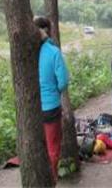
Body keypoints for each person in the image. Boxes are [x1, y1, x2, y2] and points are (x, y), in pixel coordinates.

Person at [34, 16, 69, 182]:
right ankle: (52, 180)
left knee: (40, 145)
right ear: (49, 31)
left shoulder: (30, 53)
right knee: (53, 148)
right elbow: (63, 81)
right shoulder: (53, 52)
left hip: (34, 108)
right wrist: (55, 90)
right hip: (51, 107)